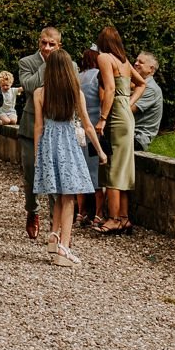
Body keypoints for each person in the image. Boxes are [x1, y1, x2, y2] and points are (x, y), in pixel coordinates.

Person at [33, 47, 106, 267]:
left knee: (59, 195)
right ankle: (64, 247)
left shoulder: (39, 93)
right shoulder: (75, 92)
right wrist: (100, 152)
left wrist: (38, 155)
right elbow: (87, 125)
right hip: (68, 145)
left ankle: (54, 236)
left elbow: (38, 126)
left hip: (48, 143)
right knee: (69, 197)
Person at [94, 25, 145, 234]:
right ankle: (124, 217)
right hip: (126, 114)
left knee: (113, 166)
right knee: (123, 165)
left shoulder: (105, 58)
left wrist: (103, 119)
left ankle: (114, 218)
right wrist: (128, 101)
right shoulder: (123, 61)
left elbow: (110, 89)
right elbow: (142, 84)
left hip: (115, 114)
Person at [15, 27, 61, 239]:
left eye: (52, 44)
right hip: (31, 126)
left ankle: (56, 223)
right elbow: (30, 86)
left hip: (56, 127)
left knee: (56, 178)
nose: (47, 47)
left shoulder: (68, 64)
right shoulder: (27, 63)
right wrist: (46, 65)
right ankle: (32, 211)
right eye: (44, 43)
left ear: (59, 45)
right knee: (31, 175)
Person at [77, 47, 105, 228]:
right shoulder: (99, 77)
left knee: (80, 170)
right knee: (96, 173)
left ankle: (81, 212)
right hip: (95, 127)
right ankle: (99, 213)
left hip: (80, 128)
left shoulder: (78, 77)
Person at [132, 52, 164, 150]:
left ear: (151, 69)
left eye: (141, 62)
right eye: (136, 61)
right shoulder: (137, 85)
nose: (136, 64)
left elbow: (127, 110)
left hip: (137, 138)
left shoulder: (151, 89)